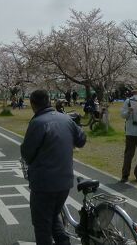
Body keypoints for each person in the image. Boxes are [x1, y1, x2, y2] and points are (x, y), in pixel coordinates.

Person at [20, 90, 86, 245]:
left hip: (44, 183)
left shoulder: (37, 123)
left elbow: (27, 153)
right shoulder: (66, 119)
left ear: (32, 104)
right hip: (64, 181)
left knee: (42, 225)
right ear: (49, 101)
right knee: (53, 215)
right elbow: (81, 140)